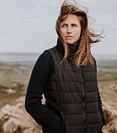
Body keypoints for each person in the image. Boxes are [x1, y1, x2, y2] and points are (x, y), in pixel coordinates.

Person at [25, 1, 105, 133]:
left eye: (74, 25)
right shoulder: (47, 58)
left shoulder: (90, 60)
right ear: (58, 29)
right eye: (64, 26)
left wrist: (100, 120)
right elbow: (32, 103)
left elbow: (95, 96)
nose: (69, 30)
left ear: (81, 28)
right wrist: (60, 126)